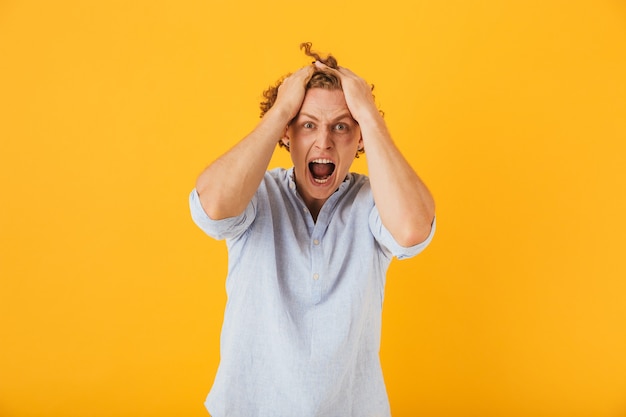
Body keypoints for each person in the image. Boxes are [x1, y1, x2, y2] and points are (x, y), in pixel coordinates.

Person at [189, 43, 436, 417]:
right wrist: (280, 112)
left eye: (342, 126)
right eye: (307, 125)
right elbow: (213, 208)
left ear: (360, 140)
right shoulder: (256, 194)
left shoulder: (375, 202)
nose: (324, 142)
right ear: (287, 135)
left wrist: (368, 115)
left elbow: (412, 230)